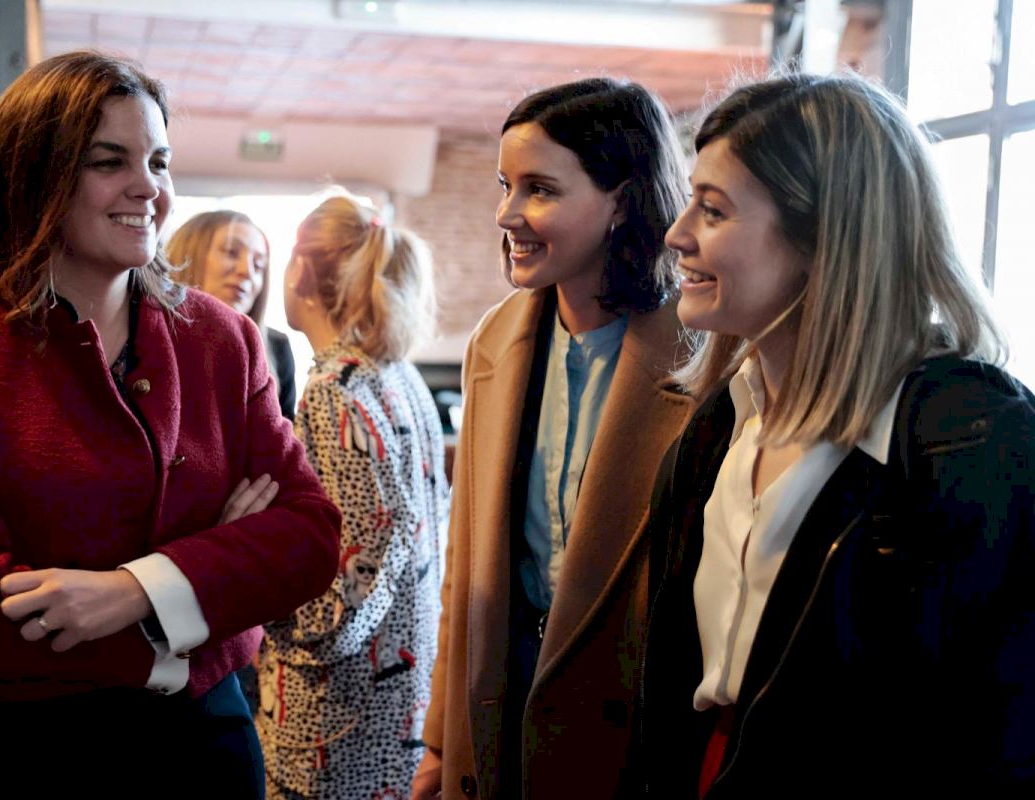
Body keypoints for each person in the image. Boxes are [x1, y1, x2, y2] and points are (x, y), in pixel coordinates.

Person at [0, 50, 340, 798]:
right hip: (13, 755)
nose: (148, 187)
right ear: (34, 175)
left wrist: (133, 591)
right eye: (109, 161)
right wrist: (202, 598)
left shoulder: (223, 339)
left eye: (159, 161)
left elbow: (309, 539)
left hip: (203, 751)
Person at [640, 73, 1035, 797]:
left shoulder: (974, 444)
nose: (677, 233)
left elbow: (999, 727)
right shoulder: (718, 425)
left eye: (713, 209)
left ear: (824, 236)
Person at [413, 78, 694, 800]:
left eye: (539, 189)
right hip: (503, 706)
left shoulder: (704, 355)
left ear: (623, 202)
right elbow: (466, 568)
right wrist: (440, 741)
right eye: (505, 186)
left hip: (630, 727)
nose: (507, 214)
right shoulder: (494, 343)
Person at [255, 196, 449, 799]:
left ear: (301, 271)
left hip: (335, 716)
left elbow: (356, 574)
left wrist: (267, 622)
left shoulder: (334, 389)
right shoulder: (396, 375)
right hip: (396, 699)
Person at [167, 210, 297, 420]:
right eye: (231, 252)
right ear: (189, 255)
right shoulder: (145, 333)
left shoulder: (277, 346)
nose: (247, 271)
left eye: (258, 265)